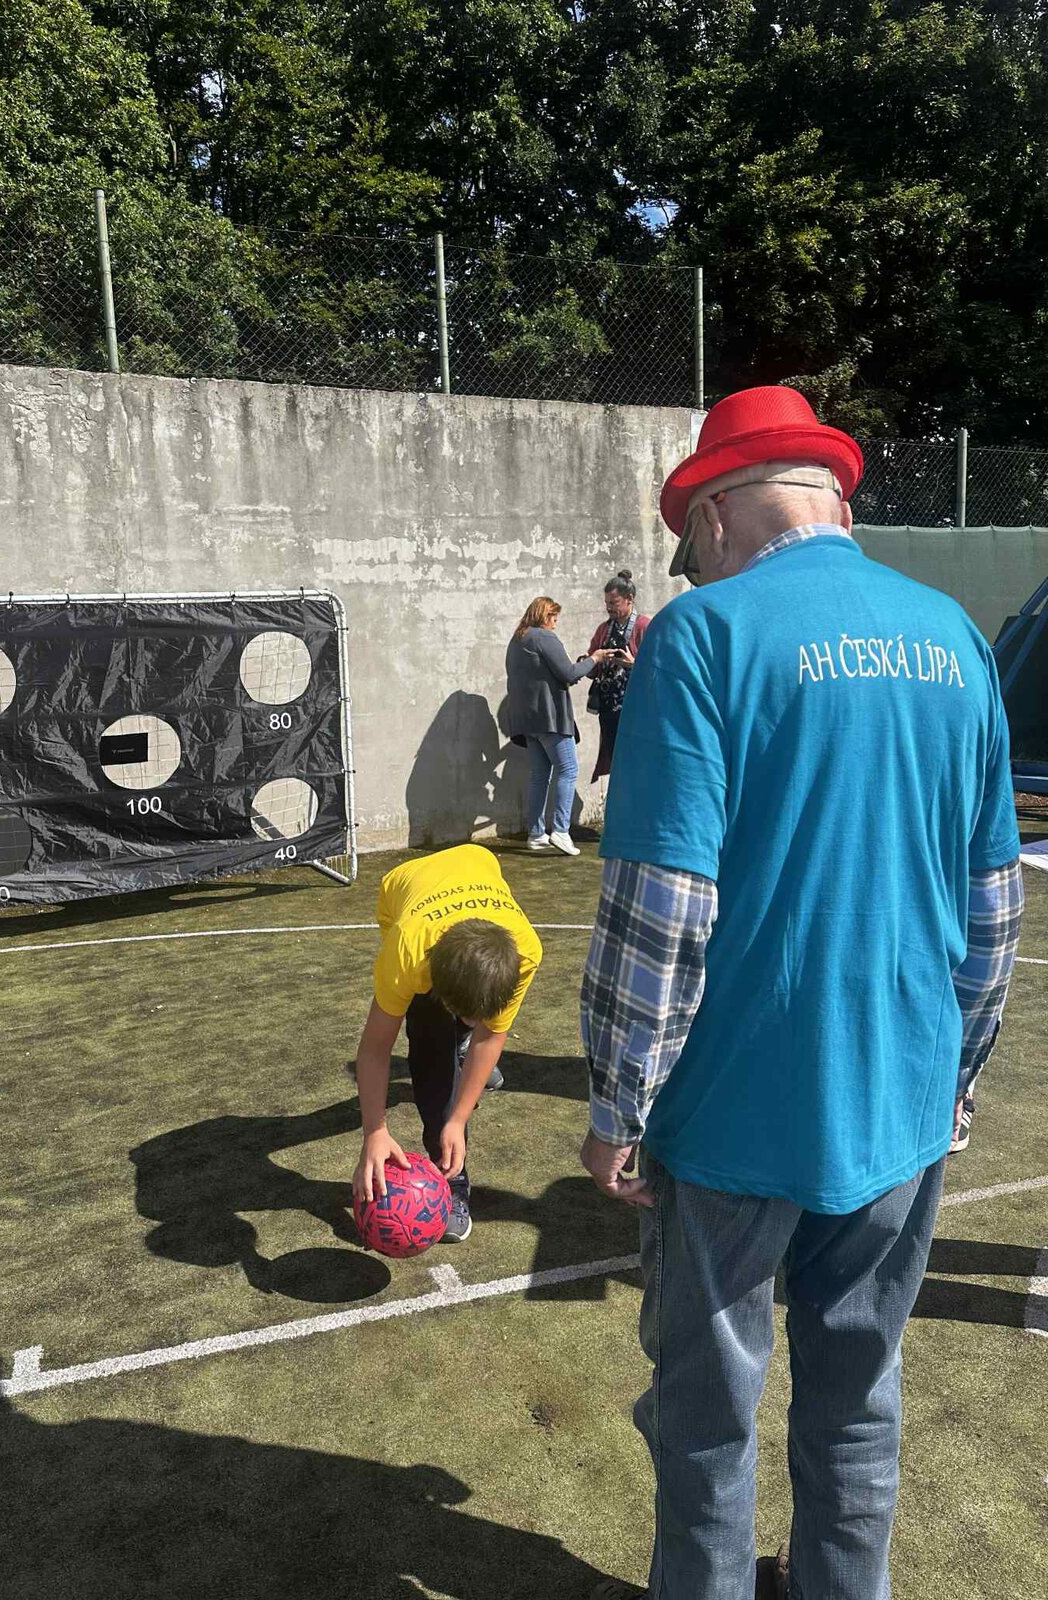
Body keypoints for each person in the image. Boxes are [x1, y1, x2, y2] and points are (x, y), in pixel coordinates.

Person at [579, 386, 1023, 1600]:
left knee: (707, 1423)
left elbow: (662, 910)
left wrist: (618, 1105)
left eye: (691, 538)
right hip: (900, 1103)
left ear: (717, 512)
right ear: (831, 498)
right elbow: (993, 909)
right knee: (858, 1401)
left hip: (735, 1115)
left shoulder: (702, 636)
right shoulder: (953, 637)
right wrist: (957, 1079)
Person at [352, 843, 542, 1244]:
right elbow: (374, 1049)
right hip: (404, 887)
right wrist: (374, 1131)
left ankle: (461, 1046)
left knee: (469, 1038)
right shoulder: (408, 953)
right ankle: (452, 1182)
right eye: (464, 1014)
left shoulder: (524, 951)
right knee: (430, 1045)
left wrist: (457, 1119)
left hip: (478, 860)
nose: (476, 1020)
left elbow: (492, 1034)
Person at [505, 596, 615, 856]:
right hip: (551, 718)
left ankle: (536, 834)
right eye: (554, 618)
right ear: (545, 616)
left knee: (539, 774)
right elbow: (568, 673)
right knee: (568, 769)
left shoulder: (517, 640)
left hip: (528, 721)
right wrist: (595, 659)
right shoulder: (544, 637)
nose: (555, 624)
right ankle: (561, 831)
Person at [582, 570, 652, 781]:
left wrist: (633, 664)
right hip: (608, 710)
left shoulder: (644, 627)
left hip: (636, 708)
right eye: (606, 603)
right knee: (615, 761)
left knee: (638, 760)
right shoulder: (604, 629)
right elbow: (593, 668)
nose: (609, 608)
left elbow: (658, 668)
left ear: (630, 599)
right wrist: (589, 661)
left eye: (614, 602)